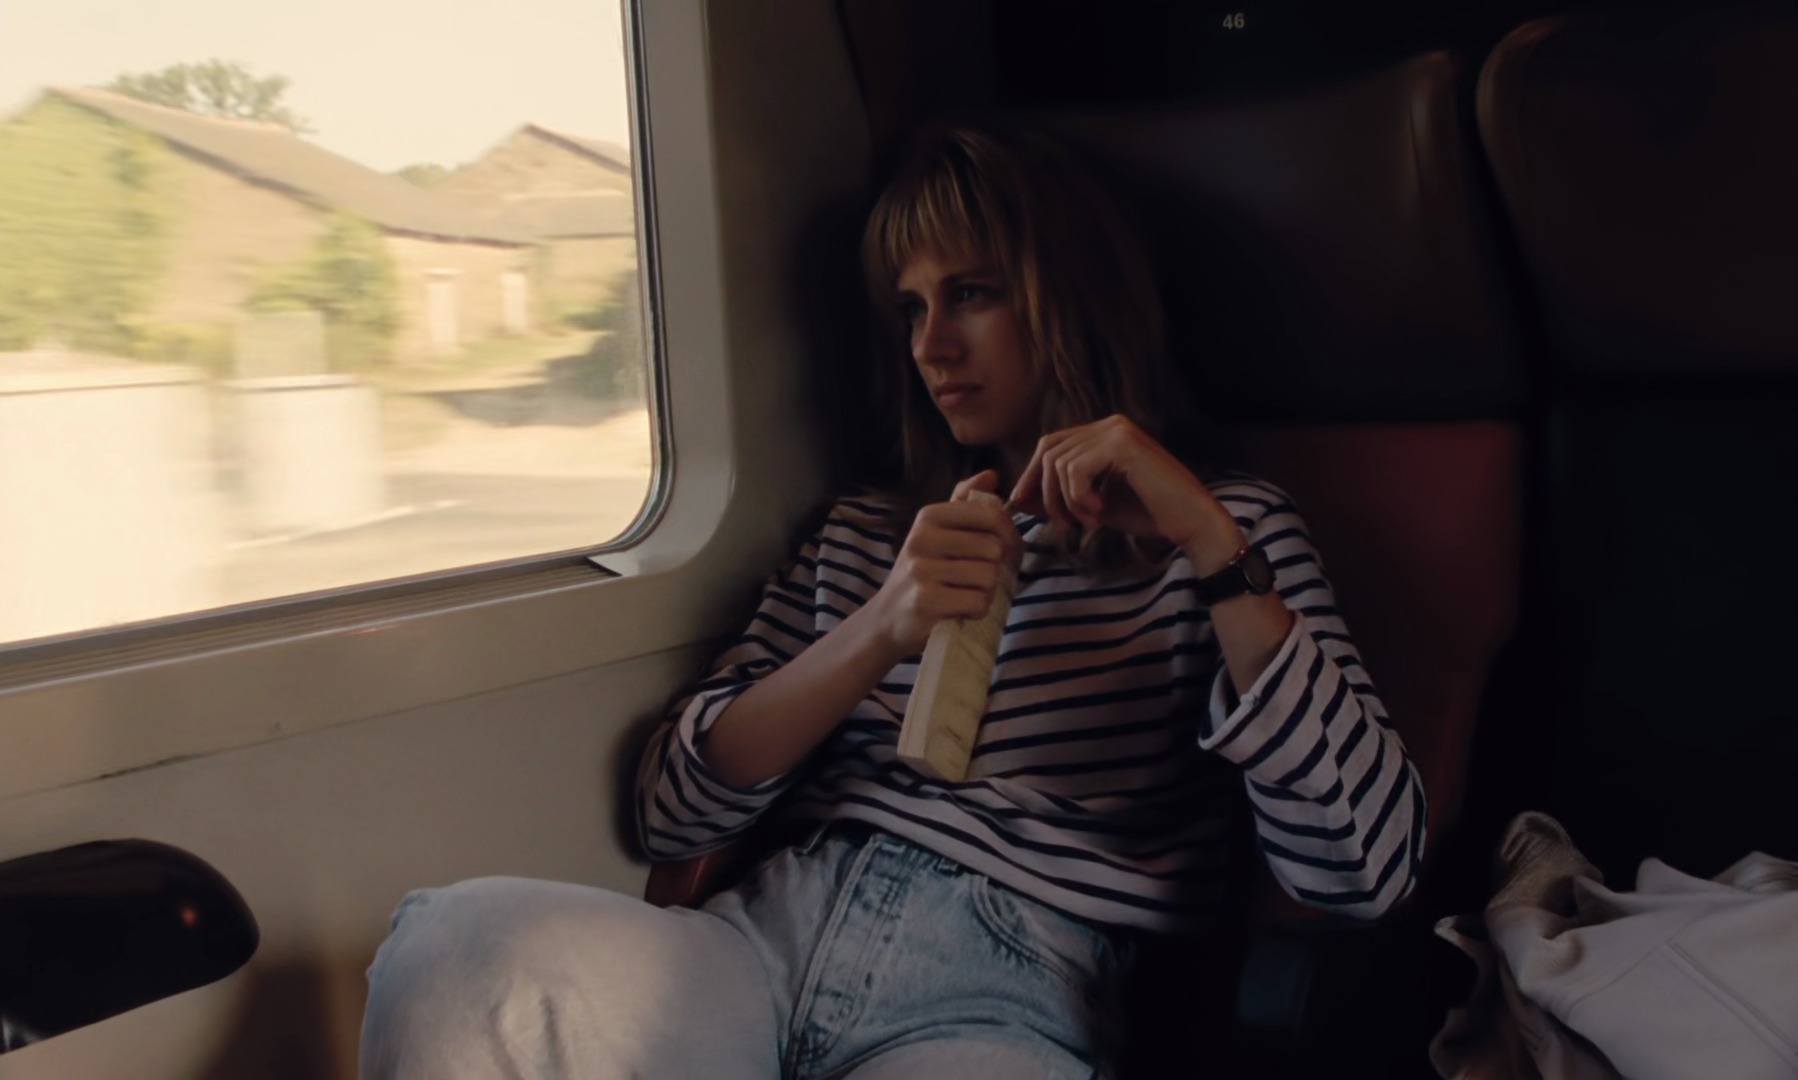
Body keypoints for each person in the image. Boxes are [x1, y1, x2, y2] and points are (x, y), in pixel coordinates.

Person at [359, 124, 1426, 1080]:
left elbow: (1363, 870)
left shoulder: (1222, 532)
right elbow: (671, 812)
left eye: (971, 294)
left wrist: (1212, 548)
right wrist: (884, 623)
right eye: (910, 308)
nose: (929, 345)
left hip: (1010, 985)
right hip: (761, 940)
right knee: (453, 946)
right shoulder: (869, 532)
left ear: (1071, 298)